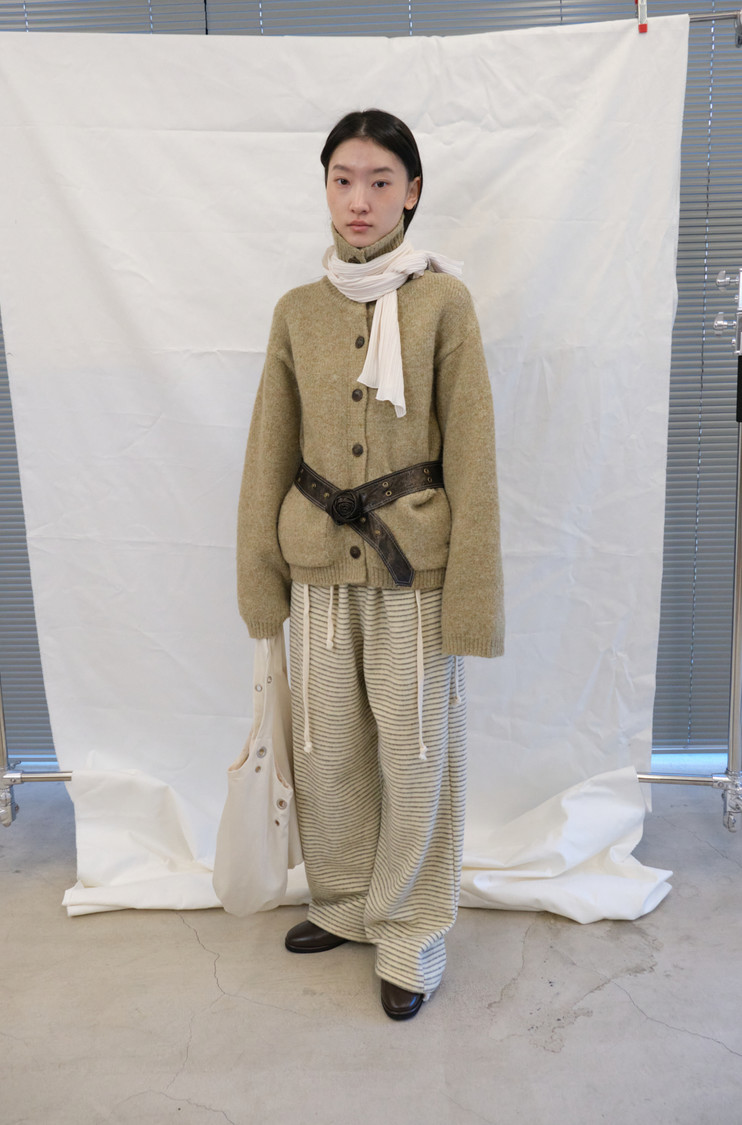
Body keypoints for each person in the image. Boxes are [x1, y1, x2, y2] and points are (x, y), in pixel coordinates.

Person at [237, 108, 504, 1021]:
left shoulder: (444, 304)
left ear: (412, 192)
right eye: (343, 179)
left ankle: (411, 930)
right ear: (325, 188)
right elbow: (268, 450)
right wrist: (259, 576)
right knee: (327, 751)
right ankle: (346, 902)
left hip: (412, 572)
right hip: (314, 565)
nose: (360, 198)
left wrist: (474, 597)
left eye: (381, 180)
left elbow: (473, 453)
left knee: (417, 754)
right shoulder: (296, 311)